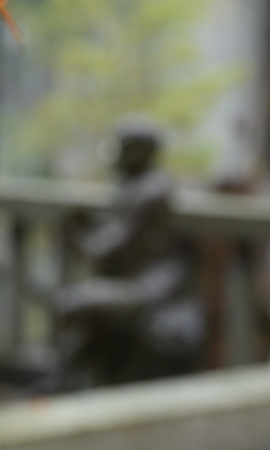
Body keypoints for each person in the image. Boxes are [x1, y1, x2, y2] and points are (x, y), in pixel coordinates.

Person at [53, 119, 203, 386]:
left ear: (139, 151)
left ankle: (67, 379)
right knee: (87, 321)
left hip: (149, 287)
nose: (117, 156)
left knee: (75, 304)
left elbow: (109, 247)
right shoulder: (134, 186)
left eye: (123, 148)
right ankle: (74, 376)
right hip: (137, 281)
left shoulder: (151, 190)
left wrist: (75, 235)